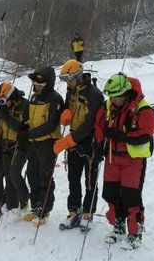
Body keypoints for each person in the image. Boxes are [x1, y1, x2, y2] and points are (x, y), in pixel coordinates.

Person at [94, 73, 154, 249]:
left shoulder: (143, 109)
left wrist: (121, 136)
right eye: (111, 96)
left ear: (126, 93)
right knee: (110, 194)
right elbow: (99, 125)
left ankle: (135, 233)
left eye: (116, 96)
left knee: (131, 197)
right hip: (112, 157)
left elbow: (144, 135)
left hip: (133, 160)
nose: (113, 100)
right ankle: (118, 226)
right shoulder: (108, 105)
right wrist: (100, 143)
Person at [52, 60, 104, 231]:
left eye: (69, 79)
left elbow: (89, 123)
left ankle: (88, 213)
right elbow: (69, 109)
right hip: (74, 141)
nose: (68, 83)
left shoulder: (93, 94)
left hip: (90, 142)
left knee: (90, 180)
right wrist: (66, 113)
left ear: (78, 76)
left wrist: (69, 140)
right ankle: (74, 211)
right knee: (73, 179)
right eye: (65, 80)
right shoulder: (71, 92)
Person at [20, 66, 64, 225]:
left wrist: (28, 134)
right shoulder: (33, 98)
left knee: (44, 176)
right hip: (33, 144)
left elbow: (50, 125)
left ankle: (44, 210)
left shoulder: (55, 99)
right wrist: (23, 127)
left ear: (48, 83)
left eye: (39, 85)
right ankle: (36, 206)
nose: (36, 87)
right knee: (32, 175)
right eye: (34, 84)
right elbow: (27, 118)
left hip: (47, 143)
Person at [0, 82, 30, 214]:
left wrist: (6, 116)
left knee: (14, 172)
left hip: (20, 144)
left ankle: (24, 198)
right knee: (8, 176)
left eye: (3, 100)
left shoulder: (25, 105)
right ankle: (11, 206)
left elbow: (20, 127)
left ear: (12, 96)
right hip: (5, 143)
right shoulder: (3, 108)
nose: (2, 104)